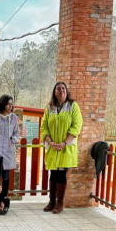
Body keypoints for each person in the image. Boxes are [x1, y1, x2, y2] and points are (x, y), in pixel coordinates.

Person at [40, 82, 83, 214]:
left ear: (66, 91)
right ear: (54, 92)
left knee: (62, 174)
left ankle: (59, 203)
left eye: (63, 88)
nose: (61, 90)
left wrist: (64, 142)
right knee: (53, 173)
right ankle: (51, 201)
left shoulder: (72, 106)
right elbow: (44, 126)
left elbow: (77, 126)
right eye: (58, 89)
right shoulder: (50, 108)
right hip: (53, 147)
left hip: (66, 148)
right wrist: (50, 141)